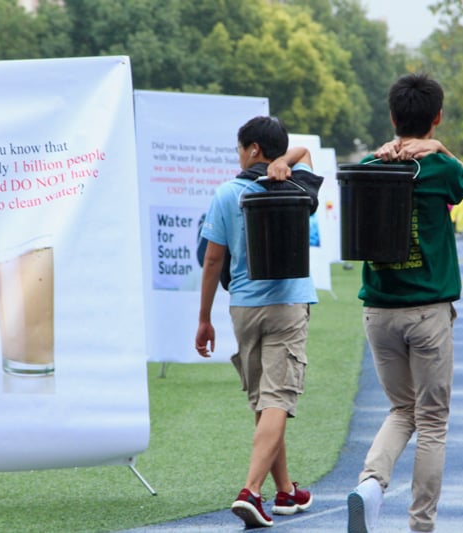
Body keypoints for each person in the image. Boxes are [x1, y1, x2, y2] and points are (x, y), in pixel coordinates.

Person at [345, 73, 463, 533]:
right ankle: (421, 525)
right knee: (432, 422)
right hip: (427, 312)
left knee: (403, 410)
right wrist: (439, 150)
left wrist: (382, 150)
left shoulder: (369, 164)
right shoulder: (441, 170)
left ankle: (371, 484)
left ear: (393, 116)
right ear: (437, 117)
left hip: (379, 311)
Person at [195, 116, 320, 528]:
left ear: (251, 149)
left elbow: (213, 260)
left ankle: (285, 490)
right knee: (277, 400)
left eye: (240, 148)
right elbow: (305, 154)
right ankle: (250, 490)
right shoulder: (296, 184)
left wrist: (204, 320)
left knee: (267, 402)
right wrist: (285, 161)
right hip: (288, 306)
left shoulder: (226, 193)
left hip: (244, 308)